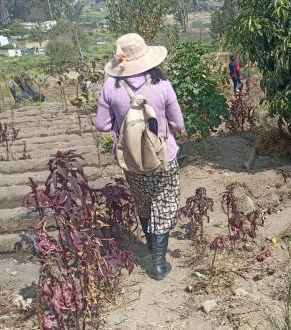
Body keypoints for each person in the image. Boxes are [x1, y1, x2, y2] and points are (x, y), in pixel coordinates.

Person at [95, 33, 185, 281]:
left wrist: (122, 125)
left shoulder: (110, 87)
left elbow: (102, 125)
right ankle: (157, 263)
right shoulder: (162, 84)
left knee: (143, 202)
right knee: (164, 205)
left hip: (131, 160)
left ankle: (150, 246)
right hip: (163, 156)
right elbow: (178, 122)